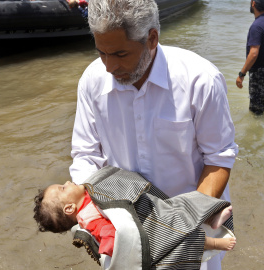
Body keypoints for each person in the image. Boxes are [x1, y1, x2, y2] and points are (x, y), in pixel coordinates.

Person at [69, 0, 238, 269]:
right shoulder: (92, 81)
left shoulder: (201, 80)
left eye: (121, 54)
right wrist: (94, 214)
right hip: (123, 231)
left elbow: (218, 160)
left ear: (152, 38)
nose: (109, 67)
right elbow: (86, 155)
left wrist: (182, 227)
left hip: (193, 230)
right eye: (101, 53)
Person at [34, 166, 236, 269]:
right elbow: (113, 239)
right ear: (69, 208)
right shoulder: (88, 217)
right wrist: (112, 249)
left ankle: (211, 217)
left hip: (150, 210)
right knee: (184, 237)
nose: (68, 181)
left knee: (181, 207)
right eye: (63, 187)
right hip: (146, 231)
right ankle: (216, 242)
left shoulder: (87, 195)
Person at [236, 0, 264, 115]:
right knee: (260, 103)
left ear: (253, 3)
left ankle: (256, 131)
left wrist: (241, 74)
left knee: (255, 110)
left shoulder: (257, 26)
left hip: (260, 72)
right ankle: (263, 129)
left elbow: (253, 53)